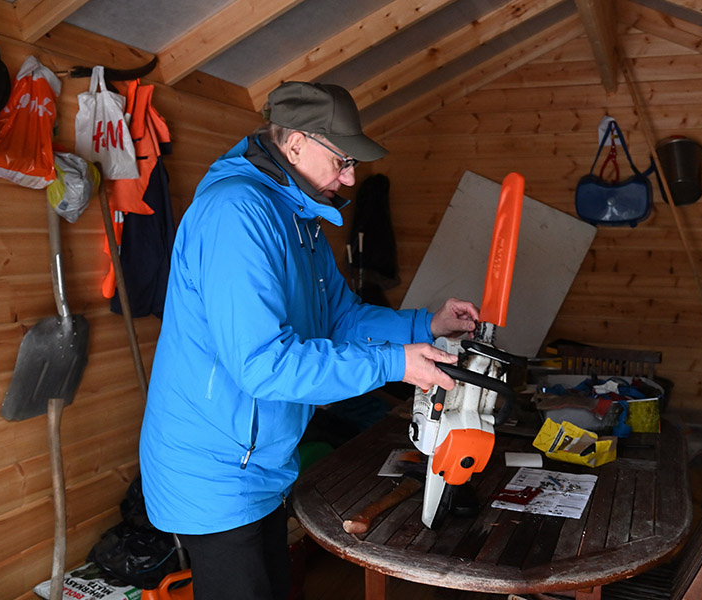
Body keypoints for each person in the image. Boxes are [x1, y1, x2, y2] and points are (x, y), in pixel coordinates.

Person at [139, 81, 480, 600]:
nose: (350, 177)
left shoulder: (297, 217)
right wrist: (395, 364)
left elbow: (340, 318)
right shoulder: (237, 214)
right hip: (214, 471)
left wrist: (426, 327)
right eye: (342, 160)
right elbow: (263, 365)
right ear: (295, 143)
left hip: (260, 463)